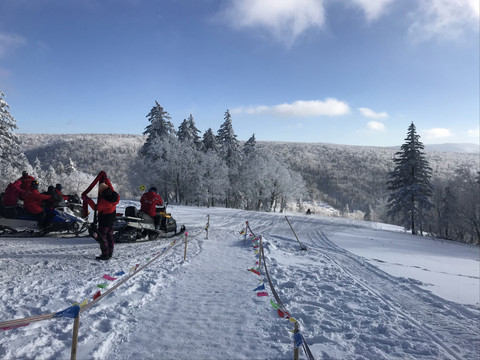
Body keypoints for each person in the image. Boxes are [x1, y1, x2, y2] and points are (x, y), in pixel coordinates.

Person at [95, 182, 120, 260]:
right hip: (111, 219)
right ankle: (110, 253)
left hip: (104, 220)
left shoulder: (104, 200)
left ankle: (105, 255)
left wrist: (87, 200)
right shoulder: (115, 196)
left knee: (102, 237)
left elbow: (97, 207)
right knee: (110, 237)